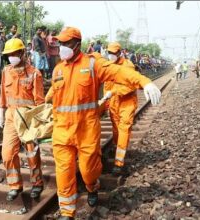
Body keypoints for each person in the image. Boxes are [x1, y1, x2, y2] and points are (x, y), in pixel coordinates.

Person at [47, 27, 161, 219]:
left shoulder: (93, 65)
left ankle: (93, 187)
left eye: (66, 43)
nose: (62, 47)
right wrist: (43, 105)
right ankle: (67, 213)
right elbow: (54, 93)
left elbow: (119, 73)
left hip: (86, 131)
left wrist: (144, 81)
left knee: (88, 171)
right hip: (62, 132)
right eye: (61, 43)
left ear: (76, 44)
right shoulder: (58, 69)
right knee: (64, 173)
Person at [0, 38, 45, 204]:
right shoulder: (6, 71)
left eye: (14, 53)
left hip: (28, 118)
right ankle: (15, 185)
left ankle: (37, 183)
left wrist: (39, 122)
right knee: (8, 153)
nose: (11, 57)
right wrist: (0, 111)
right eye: (9, 54)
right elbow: (3, 94)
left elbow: (40, 101)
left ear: (22, 53)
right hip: (11, 117)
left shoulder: (34, 73)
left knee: (32, 153)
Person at [102, 42, 139, 176]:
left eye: (113, 53)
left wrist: (113, 92)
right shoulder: (108, 66)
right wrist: (106, 105)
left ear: (120, 53)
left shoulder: (128, 65)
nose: (111, 55)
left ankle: (119, 162)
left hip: (127, 103)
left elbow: (131, 85)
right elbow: (107, 85)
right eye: (109, 53)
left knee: (124, 129)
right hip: (114, 103)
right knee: (116, 130)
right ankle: (117, 148)